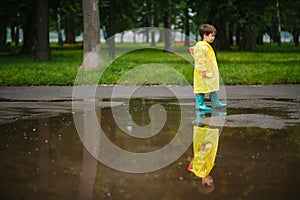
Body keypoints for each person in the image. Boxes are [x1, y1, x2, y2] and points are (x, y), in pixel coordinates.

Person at [189, 24, 227, 111]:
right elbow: (200, 60)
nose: (213, 38)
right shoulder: (202, 47)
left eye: (214, 36)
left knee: (213, 86)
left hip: (210, 72)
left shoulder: (204, 46)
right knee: (201, 88)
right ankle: (200, 104)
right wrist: (202, 70)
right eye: (212, 35)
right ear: (205, 35)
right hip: (203, 73)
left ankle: (215, 102)